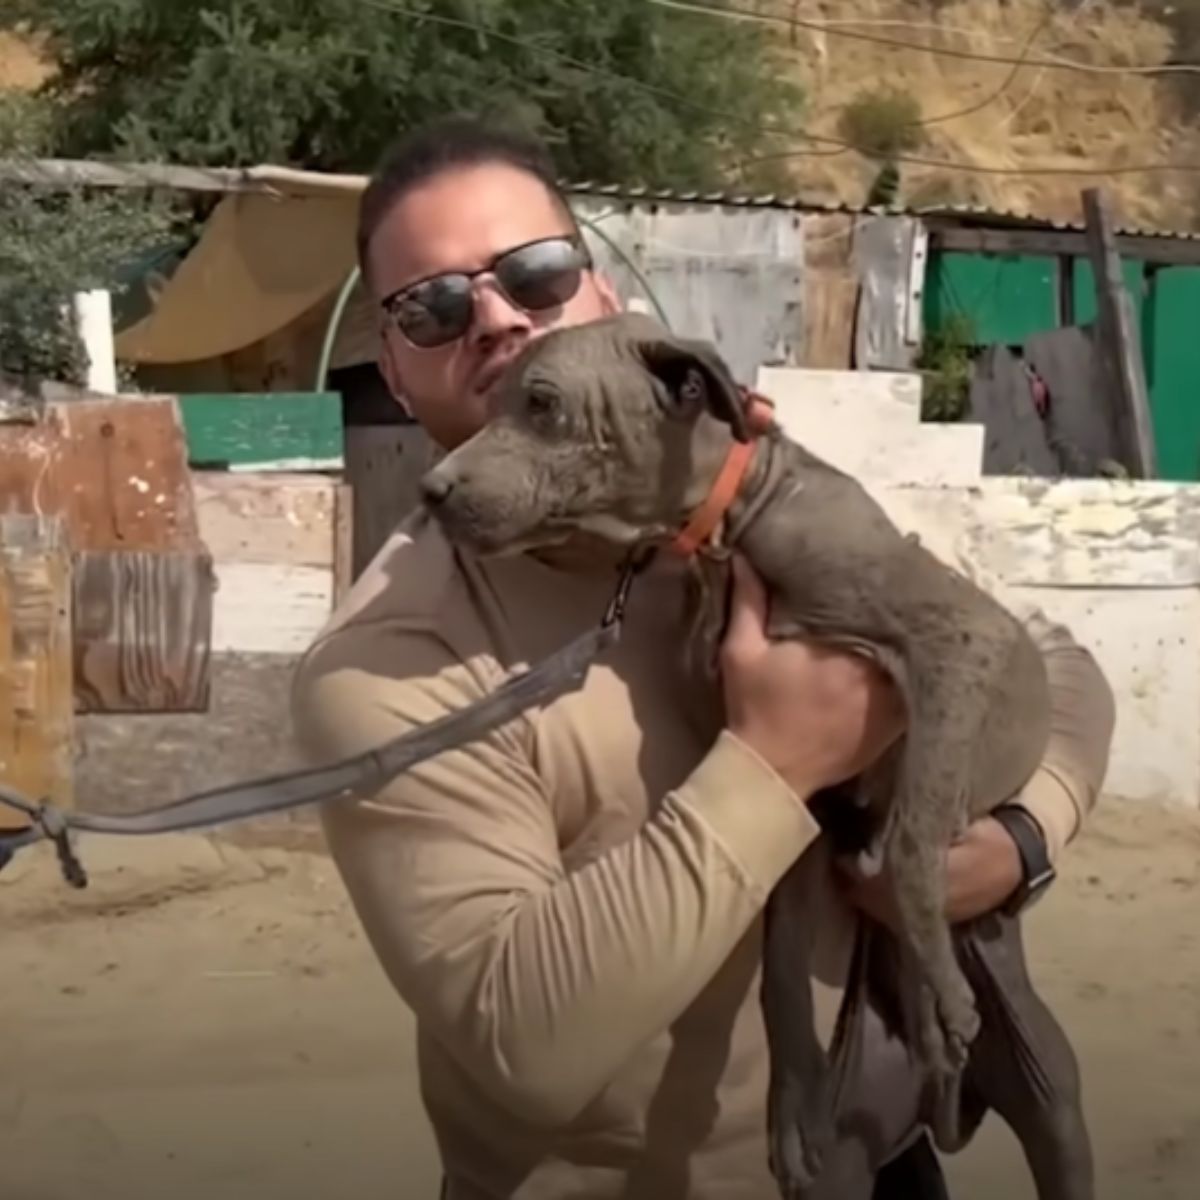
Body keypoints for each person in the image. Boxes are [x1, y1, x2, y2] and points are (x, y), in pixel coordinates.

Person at [289, 114, 1117, 1200]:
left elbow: (1052, 664)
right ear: (394, 372)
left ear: (603, 301)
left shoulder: (745, 504)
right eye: (433, 307)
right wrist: (777, 762)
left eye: (535, 274)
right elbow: (520, 1044)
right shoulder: (387, 659)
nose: (495, 318)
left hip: (878, 1154)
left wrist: (1020, 838)